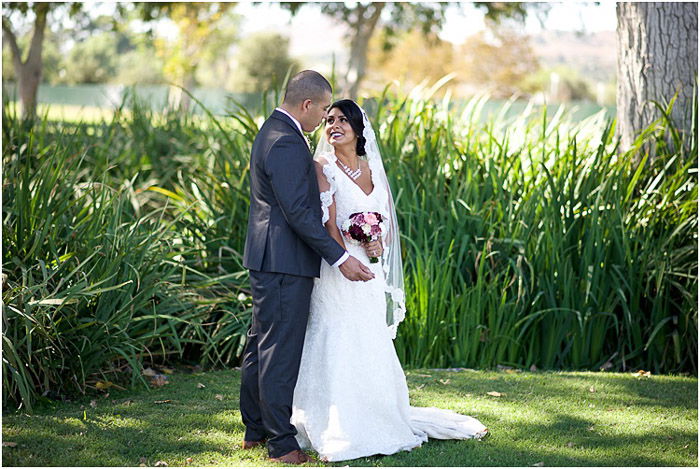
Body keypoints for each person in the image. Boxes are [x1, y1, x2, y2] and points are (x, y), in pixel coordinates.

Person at [290, 99, 489, 462]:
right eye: (329, 120)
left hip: (370, 269)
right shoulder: (322, 166)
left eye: (342, 120)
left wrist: (377, 241)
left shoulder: (371, 168)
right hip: (337, 270)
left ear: (358, 128)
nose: (334, 125)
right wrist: (345, 259)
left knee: (368, 336)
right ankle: (337, 421)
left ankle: (375, 412)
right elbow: (328, 224)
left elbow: (384, 221)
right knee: (336, 334)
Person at [240, 71, 375, 465]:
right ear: (307, 105)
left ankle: (255, 429)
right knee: (279, 351)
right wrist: (340, 258)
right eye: (322, 112)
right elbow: (298, 213)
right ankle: (281, 443)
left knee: (261, 345)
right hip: (283, 261)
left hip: (271, 258)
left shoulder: (275, 131)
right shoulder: (284, 141)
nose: (323, 122)